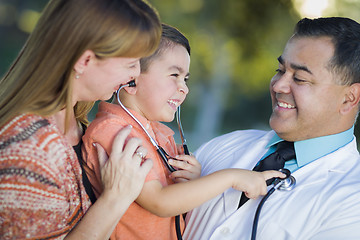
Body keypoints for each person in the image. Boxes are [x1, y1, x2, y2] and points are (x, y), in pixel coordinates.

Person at [82, 23, 285, 240]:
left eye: (185, 79)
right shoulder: (114, 132)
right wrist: (232, 177)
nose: (184, 88)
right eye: (174, 75)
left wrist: (191, 181)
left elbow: (174, 207)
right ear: (131, 80)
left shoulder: (159, 134)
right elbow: (160, 202)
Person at [183, 17, 360, 240]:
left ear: (349, 98)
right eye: (280, 69)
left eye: (300, 78)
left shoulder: (353, 202)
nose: (278, 85)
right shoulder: (223, 146)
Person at [0, 0, 162, 239]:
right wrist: (116, 197)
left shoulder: (78, 125)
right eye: (131, 63)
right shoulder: (28, 153)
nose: (136, 74)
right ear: (84, 61)